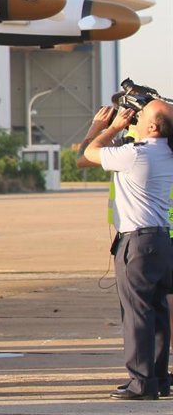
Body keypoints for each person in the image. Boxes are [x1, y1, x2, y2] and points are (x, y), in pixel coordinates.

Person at [80, 98, 173, 400]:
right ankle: (159, 379)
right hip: (162, 242)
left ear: (153, 127)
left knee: (136, 314)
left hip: (138, 244)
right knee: (158, 313)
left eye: (141, 115)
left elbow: (87, 154)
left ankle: (140, 383)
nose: (134, 118)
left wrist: (106, 127)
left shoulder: (136, 154)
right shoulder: (166, 152)